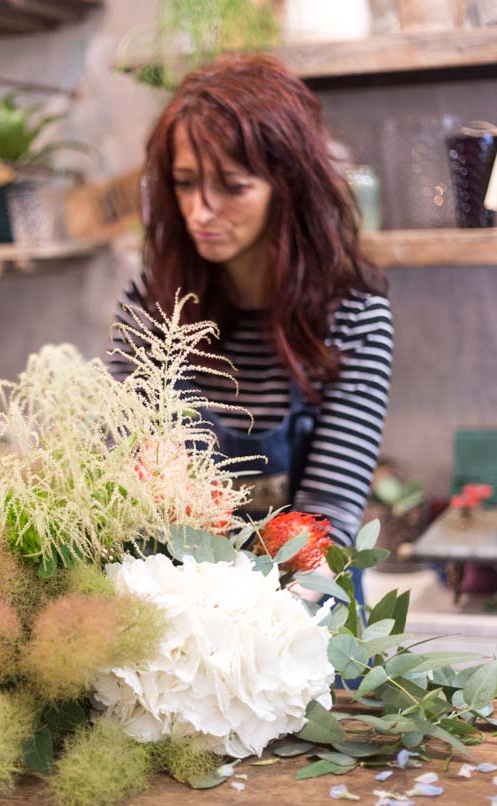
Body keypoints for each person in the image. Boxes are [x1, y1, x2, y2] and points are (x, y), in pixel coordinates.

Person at [109, 53, 393, 604]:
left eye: (232, 187)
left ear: (288, 187)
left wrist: (252, 641)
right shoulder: (152, 305)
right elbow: (140, 483)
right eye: (186, 184)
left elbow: (326, 525)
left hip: (304, 622)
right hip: (179, 600)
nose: (201, 211)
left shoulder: (354, 320)